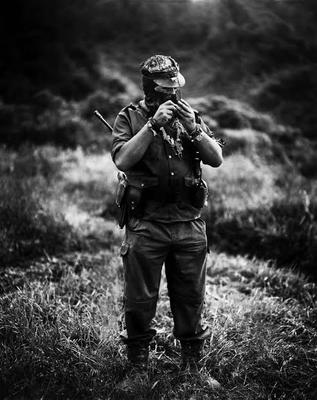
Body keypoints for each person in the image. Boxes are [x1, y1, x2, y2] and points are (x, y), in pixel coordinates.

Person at [111, 55, 223, 390]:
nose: (173, 93)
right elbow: (122, 158)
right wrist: (152, 125)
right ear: (150, 88)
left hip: (189, 222)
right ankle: (137, 369)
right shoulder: (129, 117)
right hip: (147, 222)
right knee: (140, 298)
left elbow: (216, 158)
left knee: (190, 295)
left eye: (176, 86)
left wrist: (194, 128)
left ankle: (192, 368)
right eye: (165, 88)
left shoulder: (191, 115)